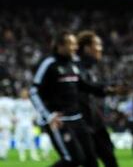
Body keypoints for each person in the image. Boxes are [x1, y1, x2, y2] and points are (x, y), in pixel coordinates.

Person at [30, 31, 108, 167]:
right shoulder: (49, 63)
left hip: (77, 119)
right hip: (60, 121)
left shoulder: (72, 64)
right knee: (72, 159)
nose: (75, 47)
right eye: (71, 44)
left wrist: (108, 89)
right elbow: (33, 91)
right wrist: (49, 115)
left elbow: (85, 85)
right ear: (60, 46)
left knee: (91, 160)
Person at [76, 31, 122, 167]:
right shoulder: (76, 67)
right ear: (87, 48)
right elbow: (88, 87)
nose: (101, 48)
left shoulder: (90, 68)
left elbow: (93, 90)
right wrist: (109, 89)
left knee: (110, 159)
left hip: (95, 121)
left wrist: (110, 90)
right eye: (97, 44)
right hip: (82, 122)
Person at [13, 89, 42, 162]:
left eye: (25, 93)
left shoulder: (31, 102)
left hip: (28, 124)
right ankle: (22, 156)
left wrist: (32, 118)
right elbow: (12, 112)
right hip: (19, 124)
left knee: (31, 140)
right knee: (20, 140)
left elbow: (35, 112)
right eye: (23, 93)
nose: (24, 94)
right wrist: (14, 118)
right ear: (21, 94)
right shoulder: (17, 102)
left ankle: (34, 155)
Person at [0, 90, 12, 160]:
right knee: (6, 140)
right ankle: (3, 155)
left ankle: (2, 154)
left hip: (2, 122)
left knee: (3, 140)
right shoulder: (10, 102)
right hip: (7, 123)